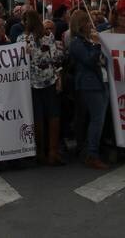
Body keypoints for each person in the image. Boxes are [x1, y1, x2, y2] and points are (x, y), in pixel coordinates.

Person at [17, 10, 64, 166]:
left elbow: (55, 58)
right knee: (51, 115)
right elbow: (56, 58)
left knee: (41, 116)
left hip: (36, 82)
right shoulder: (46, 36)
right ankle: (51, 151)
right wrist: (58, 76)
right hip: (44, 80)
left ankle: (43, 152)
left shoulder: (22, 39)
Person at [68, 10, 109, 170]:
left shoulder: (87, 40)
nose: (91, 24)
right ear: (81, 24)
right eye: (88, 21)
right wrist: (97, 44)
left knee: (99, 120)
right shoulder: (77, 43)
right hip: (89, 84)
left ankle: (91, 150)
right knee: (97, 120)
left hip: (101, 82)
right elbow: (89, 61)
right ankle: (92, 154)